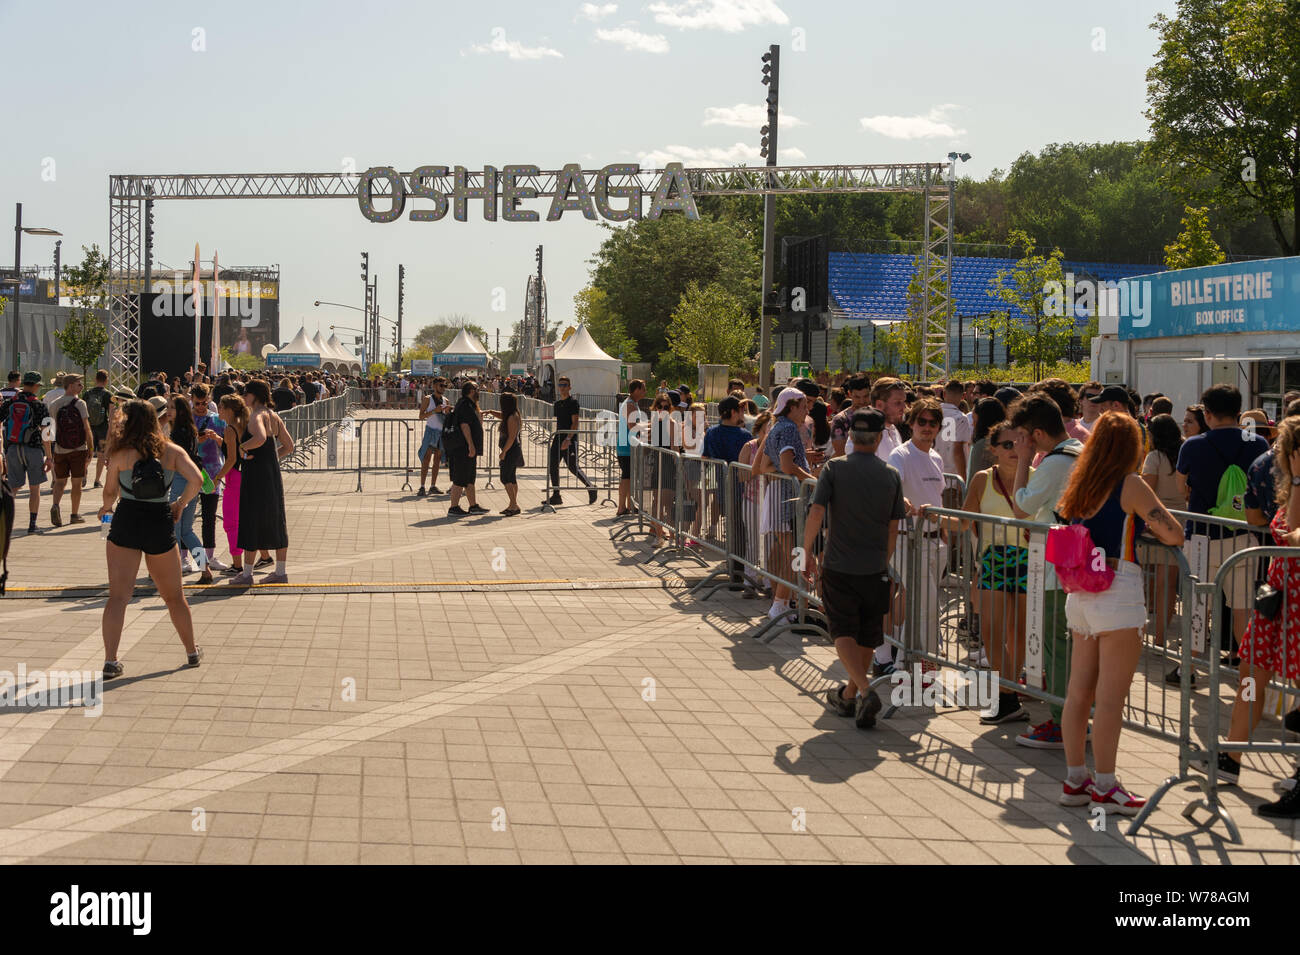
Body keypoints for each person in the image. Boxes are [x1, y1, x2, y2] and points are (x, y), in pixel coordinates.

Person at [1055, 412, 1184, 815]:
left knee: (1078, 693)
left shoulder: (1080, 483)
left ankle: (1076, 779)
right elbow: (1173, 532)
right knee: (1110, 699)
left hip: (1081, 592)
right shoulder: (1131, 483)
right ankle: (1107, 786)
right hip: (1118, 589)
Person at [1207, 415, 1300, 815]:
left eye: (1284, 450)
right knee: (1250, 673)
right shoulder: (1288, 484)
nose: (1276, 456)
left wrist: (1297, 481)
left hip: (1294, 600)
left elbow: (1295, 534)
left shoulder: (1295, 484)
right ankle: (1232, 753)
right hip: (1277, 596)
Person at [805, 409, 905, 729]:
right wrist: (884, 560)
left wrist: (806, 551)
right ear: (878, 439)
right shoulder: (890, 474)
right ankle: (852, 695)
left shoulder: (834, 468)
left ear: (850, 436)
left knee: (842, 630)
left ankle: (862, 689)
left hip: (839, 563)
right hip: (874, 566)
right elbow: (893, 527)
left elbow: (817, 511)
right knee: (866, 633)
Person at [96, 399, 206, 678]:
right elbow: (197, 480)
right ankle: (191, 651)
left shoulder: (120, 453)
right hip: (159, 519)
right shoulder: (170, 450)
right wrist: (180, 504)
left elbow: (109, 493)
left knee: (118, 597)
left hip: (127, 520)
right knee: (174, 596)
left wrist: (106, 509)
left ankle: (111, 661)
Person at [1170, 384, 1270, 685]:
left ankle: (1188, 669)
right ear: (1239, 413)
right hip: (1244, 535)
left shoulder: (1192, 445)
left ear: (1207, 413)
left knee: (1198, 607)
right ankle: (1248, 674)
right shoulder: (1258, 443)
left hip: (1202, 535)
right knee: (1242, 608)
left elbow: (1180, 488)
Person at [1004, 394, 1084, 737]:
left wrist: (1023, 461)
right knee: (1068, 644)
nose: (1018, 443)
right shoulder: (1079, 453)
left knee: (1058, 644)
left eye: (1021, 437)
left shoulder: (1054, 463)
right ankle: (1073, 714)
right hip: (1076, 558)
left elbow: (1021, 506)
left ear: (1035, 433)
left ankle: (1064, 718)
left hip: (1057, 567)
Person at [960, 421, 1031, 684]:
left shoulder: (1038, 477)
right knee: (990, 632)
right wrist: (932, 517)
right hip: (994, 559)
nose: (1015, 450)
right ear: (994, 449)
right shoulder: (983, 479)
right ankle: (1008, 685)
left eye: (1021, 443)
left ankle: (1008, 690)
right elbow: (964, 521)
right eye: (1008, 444)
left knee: (1018, 633)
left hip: (1029, 559)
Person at [886, 398, 949, 672]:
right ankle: (926, 660)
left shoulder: (936, 456)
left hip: (936, 540)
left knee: (917, 602)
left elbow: (939, 497)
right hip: (908, 540)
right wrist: (906, 504)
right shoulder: (900, 455)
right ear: (910, 423)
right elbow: (891, 491)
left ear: (938, 428)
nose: (926, 427)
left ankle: (903, 660)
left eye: (932, 423)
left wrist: (946, 533)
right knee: (926, 603)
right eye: (921, 421)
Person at [760, 388, 815, 622]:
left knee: (792, 556)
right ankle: (779, 606)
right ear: (791, 407)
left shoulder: (776, 426)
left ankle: (782, 604)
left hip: (779, 496)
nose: (807, 410)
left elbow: (764, 465)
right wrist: (813, 480)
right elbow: (787, 464)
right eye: (803, 406)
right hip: (788, 499)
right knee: (796, 556)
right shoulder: (789, 428)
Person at [231, 380, 294, 584]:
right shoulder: (274, 416)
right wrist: (272, 457)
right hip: (272, 474)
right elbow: (289, 445)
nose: (243, 397)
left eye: (246, 394)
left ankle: (247, 573)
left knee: (251, 519)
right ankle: (280, 571)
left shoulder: (256, 415)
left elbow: (258, 437)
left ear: (254, 395)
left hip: (255, 475)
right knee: (276, 518)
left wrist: (242, 447)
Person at [702, 396, 753, 586]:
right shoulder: (744, 436)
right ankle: (739, 573)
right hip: (743, 488)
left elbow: (705, 456)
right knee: (742, 530)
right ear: (732, 412)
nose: (742, 415)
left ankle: (734, 569)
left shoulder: (712, 433)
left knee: (732, 527)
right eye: (740, 411)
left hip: (722, 485)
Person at [164, 395, 212, 583]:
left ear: (181, 411)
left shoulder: (177, 432)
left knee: (175, 530)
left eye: (172, 408)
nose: (168, 411)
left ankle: (172, 572)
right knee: (186, 531)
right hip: (192, 482)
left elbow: (174, 460)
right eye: (167, 407)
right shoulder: (190, 429)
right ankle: (205, 568)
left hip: (181, 481)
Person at [1, 372, 54, 535]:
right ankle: (32, 524)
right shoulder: (39, 405)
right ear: (36, 385)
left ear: (24, 384)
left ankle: (4, 523)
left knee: (13, 487)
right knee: (34, 488)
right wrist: (49, 457)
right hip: (33, 449)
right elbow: (47, 433)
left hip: (13, 449)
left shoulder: (10, 402)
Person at [47, 373, 92, 527]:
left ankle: (55, 505)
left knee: (60, 482)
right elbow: (87, 428)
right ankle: (74, 514)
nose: (82, 386)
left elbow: (49, 430)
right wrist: (91, 449)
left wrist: (49, 453)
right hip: (78, 449)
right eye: (79, 384)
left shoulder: (54, 404)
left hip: (60, 449)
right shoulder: (80, 403)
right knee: (77, 483)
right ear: (71, 385)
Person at [190, 384, 227, 572]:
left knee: (209, 517)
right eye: (197, 403)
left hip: (212, 473)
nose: (201, 407)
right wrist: (198, 440)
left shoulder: (217, 420)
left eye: (204, 403)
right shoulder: (186, 420)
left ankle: (209, 557)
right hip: (190, 472)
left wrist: (217, 439)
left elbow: (228, 446)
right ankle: (188, 560)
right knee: (186, 520)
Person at [548, 376, 596, 506]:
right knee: (552, 466)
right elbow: (559, 422)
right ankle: (556, 495)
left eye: (565, 385)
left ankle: (591, 487)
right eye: (560, 385)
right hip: (558, 438)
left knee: (573, 467)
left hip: (569, 439)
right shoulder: (557, 404)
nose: (562, 387)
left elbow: (575, 423)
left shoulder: (573, 403)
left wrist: (568, 439)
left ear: (569, 387)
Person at [215, 395, 248, 577]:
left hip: (234, 477)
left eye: (220, 406)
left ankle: (237, 564)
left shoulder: (230, 429)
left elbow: (231, 458)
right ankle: (261, 557)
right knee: (246, 519)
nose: (218, 409)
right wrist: (218, 440)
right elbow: (233, 449)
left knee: (230, 522)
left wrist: (218, 477)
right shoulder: (243, 425)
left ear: (229, 410)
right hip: (246, 475)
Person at [445, 381, 488, 517]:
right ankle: (454, 507)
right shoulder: (465, 405)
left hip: (467, 448)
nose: (479, 391)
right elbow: (464, 426)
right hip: (462, 448)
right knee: (460, 478)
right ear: (471, 390)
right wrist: (470, 445)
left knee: (469, 478)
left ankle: (473, 506)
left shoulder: (469, 404)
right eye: (477, 389)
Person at [616, 379, 646, 516]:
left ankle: (630, 505)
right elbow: (632, 426)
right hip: (627, 447)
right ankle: (622, 507)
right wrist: (649, 426)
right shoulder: (629, 405)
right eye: (643, 388)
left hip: (628, 446)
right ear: (636, 390)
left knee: (629, 477)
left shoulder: (633, 404)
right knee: (627, 477)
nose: (645, 391)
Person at [417, 377, 451, 496]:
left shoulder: (446, 400)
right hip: (430, 432)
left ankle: (432, 486)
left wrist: (448, 413)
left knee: (437, 460)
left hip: (441, 433)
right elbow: (421, 416)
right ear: (435, 386)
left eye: (445, 386)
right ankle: (422, 486)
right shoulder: (428, 399)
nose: (443, 388)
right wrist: (434, 411)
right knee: (426, 459)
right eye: (441, 385)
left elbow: (448, 418)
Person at [491, 391, 523, 515]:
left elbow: (511, 437)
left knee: (505, 477)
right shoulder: (511, 414)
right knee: (511, 477)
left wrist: (503, 452)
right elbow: (501, 415)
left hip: (511, 450)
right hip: (512, 450)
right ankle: (513, 504)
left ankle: (514, 505)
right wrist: (490, 412)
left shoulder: (512, 417)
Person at [935, 379, 972, 479]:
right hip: (953, 474)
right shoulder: (961, 418)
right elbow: (958, 450)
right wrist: (963, 477)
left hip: (933, 469)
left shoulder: (933, 414)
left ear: (944, 394)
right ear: (963, 396)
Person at [966, 396, 1007, 485]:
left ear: (982, 421)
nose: (972, 424)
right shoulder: (1010, 443)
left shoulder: (981, 446)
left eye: (974, 420)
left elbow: (973, 482)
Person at [829, 376, 870, 458]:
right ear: (849, 394)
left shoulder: (878, 416)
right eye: (857, 397)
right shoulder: (840, 420)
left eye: (865, 396)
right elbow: (841, 454)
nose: (862, 401)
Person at [84, 370, 112, 489]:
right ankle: (97, 480)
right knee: (101, 455)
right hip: (103, 429)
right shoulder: (108, 395)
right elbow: (111, 415)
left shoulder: (87, 394)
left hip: (89, 428)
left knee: (88, 452)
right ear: (106, 380)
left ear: (95, 379)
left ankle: (83, 473)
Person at [869, 377, 907, 461]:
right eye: (898, 402)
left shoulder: (893, 430)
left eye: (904, 401)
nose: (904, 407)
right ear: (879, 405)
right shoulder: (865, 435)